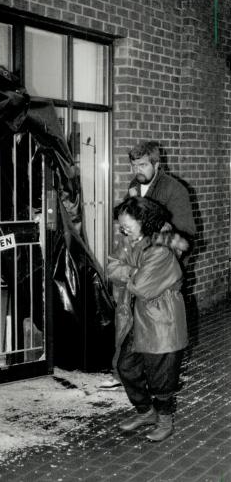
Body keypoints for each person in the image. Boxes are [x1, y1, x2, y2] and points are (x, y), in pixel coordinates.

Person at [99, 140, 195, 390]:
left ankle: (156, 382)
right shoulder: (134, 186)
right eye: (133, 165)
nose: (137, 170)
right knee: (126, 320)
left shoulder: (174, 189)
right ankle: (124, 373)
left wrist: (162, 269)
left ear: (156, 164)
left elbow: (185, 236)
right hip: (135, 265)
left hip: (159, 271)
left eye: (142, 164)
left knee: (157, 329)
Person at [107, 197, 188, 441]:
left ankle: (165, 420)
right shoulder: (134, 241)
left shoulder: (161, 250)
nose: (123, 232)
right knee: (126, 367)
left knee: (161, 377)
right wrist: (133, 272)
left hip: (161, 320)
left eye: (127, 227)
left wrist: (129, 273)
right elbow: (111, 267)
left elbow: (142, 288)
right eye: (121, 227)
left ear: (144, 222)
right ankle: (146, 411)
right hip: (138, 317)